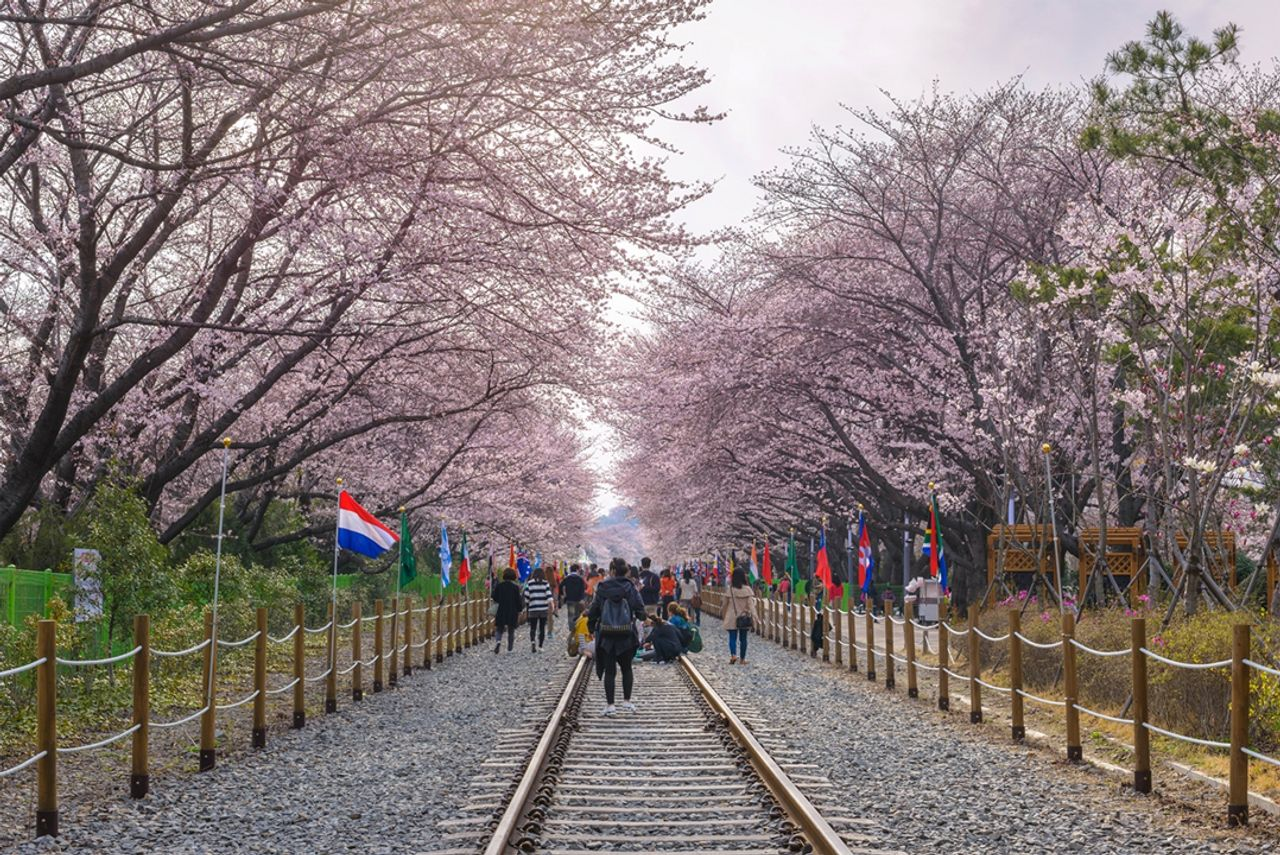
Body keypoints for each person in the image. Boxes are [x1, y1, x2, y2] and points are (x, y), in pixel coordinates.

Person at [587, 556, 646, 716]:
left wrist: (591, 626)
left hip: (606, 635)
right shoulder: (630, 587)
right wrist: (640, 617)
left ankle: (610, 705)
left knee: (610, 670)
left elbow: (594, 609)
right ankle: (627, 702)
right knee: (627, 668)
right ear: (626, 571)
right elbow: (640, 610)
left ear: (612, 570)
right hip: (626, 634)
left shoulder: (603, 587)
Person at [723, 567, 755, 665]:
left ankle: (733, 655)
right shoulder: (748, 590)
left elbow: (724, 604)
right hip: (744, 616)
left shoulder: (730, 590)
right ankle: (742, 659)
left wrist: (723, 614)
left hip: (732, 616)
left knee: (732, 637)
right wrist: (755, 616)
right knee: (743, 639)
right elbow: (751, 605)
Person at [491, 569, 523, 653]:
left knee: (499, 628)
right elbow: (518, 600)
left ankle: (498, 642)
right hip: (512, 610)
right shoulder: (515, 587)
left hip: (501, 609)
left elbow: (494, 597)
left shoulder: (500, 586)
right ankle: (510, 647)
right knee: (511, 629)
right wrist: (520, 609)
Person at [523, 567, 554, 652]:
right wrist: (552, 605)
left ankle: (533, 642)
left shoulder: (529, 583)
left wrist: (528, 601)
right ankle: (540, 646)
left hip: (533, 608)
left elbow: (526, 595)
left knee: (533, 627)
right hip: (543, 608)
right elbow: (549, 596)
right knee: (542, 627)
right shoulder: (545, 583)